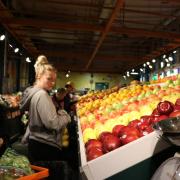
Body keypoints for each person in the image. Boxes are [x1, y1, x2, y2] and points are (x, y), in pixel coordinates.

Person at [20, 55, 71, 162]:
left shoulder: (33, 93)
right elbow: (53, 124)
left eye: (54, 80)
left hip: (36, 142)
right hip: (45, 145)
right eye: (49, 79)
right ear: (39, 76)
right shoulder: (42, 95)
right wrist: (66, 115)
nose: (52, 83)